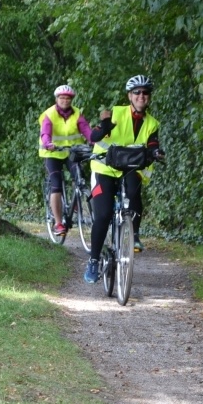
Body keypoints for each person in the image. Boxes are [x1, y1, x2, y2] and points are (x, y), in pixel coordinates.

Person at [83, 75, 165, 284]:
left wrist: (156, 152)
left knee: (134, 193)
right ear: (130, 96)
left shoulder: (152, 123)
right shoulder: (117, 113)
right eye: (137, 92)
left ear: (149, 97)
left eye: (145, 93)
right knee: (103, 215)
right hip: (104, 168)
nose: (141, 96)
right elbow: (94, 137)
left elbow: (152, 143)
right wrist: (104, 126)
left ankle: (134, 235)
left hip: (130, 169)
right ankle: (93, 261)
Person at [39, 84, 93, 235]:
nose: (65, 101)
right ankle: (58, 223)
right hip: (52, 153)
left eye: (68, 98)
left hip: (71, 152)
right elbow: (45, 132)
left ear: (71, 100)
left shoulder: (77, 114)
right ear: (57, 99)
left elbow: (86, 130)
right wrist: (48, 143)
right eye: (62, 98)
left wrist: (93, 141)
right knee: (56, 185)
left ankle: (76, 201)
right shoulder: (49, 114)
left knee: (80, 177)